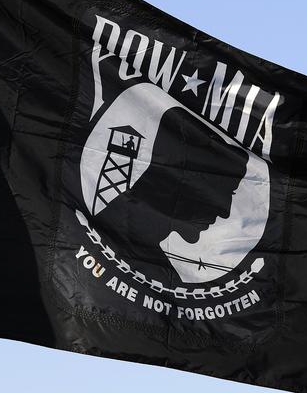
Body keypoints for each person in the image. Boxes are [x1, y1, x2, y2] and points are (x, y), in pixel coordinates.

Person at [95, 107, 247, 281]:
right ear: (176, 182)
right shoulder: (92, 241)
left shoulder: (157, 271)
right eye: (217, 193)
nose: (225, 212)